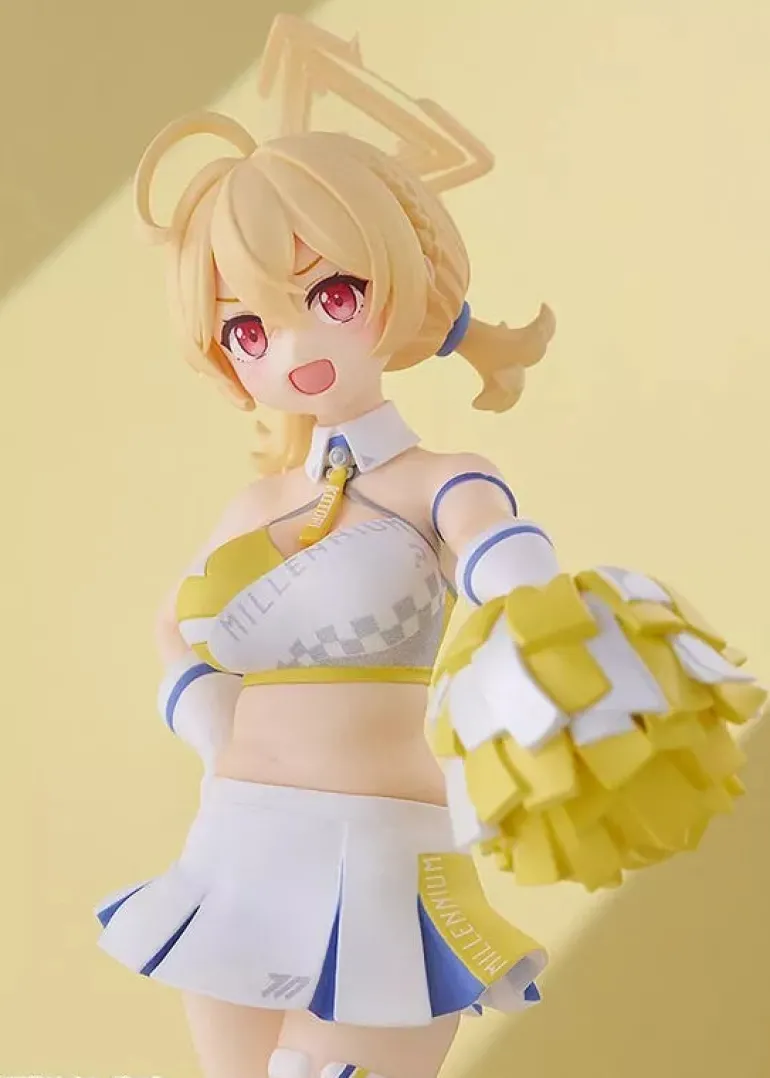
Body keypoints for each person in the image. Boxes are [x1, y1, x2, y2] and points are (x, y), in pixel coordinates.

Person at [93, 14, 765, 1078]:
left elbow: (501, 556)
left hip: (378, 853)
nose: (296, 343)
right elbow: (176, 628)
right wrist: (212, 724)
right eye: (249, 328)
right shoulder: (255, 503)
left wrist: (541, 627)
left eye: (332, 294)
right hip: (234, 844)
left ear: (396, 285)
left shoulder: (435, 479)